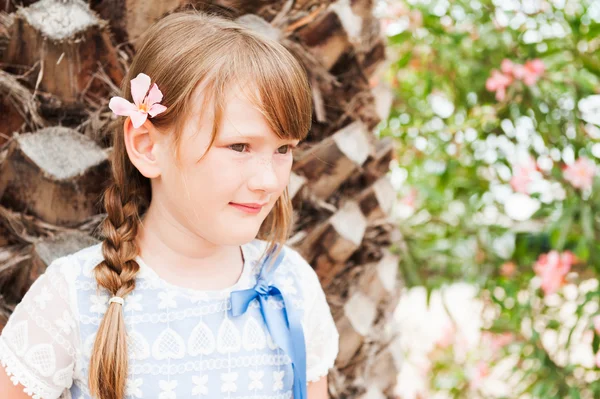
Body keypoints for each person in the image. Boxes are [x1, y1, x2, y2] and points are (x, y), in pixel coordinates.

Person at [0, 10, 339, 399]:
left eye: (283, 149)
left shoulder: (292, 284)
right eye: (239, 147)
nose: (268, 181)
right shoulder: (73, 299)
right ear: (147, 147)